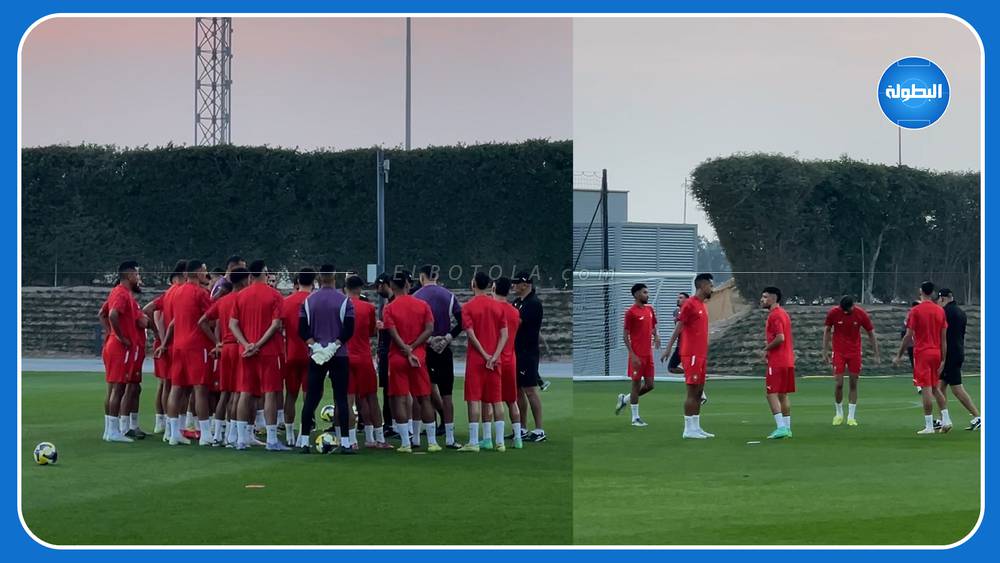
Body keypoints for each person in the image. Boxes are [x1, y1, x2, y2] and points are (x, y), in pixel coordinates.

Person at [295, 265, 356, 454]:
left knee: (311, 398)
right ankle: (345, 442)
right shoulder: (344, 300)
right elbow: (349, 329)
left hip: (317, 355)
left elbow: (302, 329)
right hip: (339, 354)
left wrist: (316, 347)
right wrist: (334, 346)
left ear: (319, 278)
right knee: (341, 398)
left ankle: (304, 442)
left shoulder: (309, 300)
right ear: (334, 277)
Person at [158, 260, 217, 446]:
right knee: (200, 388)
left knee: (176, 387)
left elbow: (173, 322)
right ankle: (205, 434)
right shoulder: (201, 293)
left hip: (178, 344)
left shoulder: (176, 292)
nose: (206, 274)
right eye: (204, 271)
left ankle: (173, 433)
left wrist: (165, 344)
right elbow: (208, 320)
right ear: (198, 272)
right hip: (197, 346)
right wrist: (216, 341)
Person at [230, 260, 287, 450]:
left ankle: (241, 439)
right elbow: (276, 324)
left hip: (246, 351)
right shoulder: (275, 295)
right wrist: (258, 344)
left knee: (245, 392)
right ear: (264, 273)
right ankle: (271, 439)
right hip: (268, 351)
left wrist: (246, 344)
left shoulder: (241, 295)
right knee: (270, 393)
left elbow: (233, 324)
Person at [382, 270, 439, 453]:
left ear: (391, 286)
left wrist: (405, 349)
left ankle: (406, 443)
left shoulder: (389, 308)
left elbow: (392, 332)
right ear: (407, 284)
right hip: (419, 356)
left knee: (398, 398)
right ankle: (432, 442)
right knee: (424, 397)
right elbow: (429, 329)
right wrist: (413, 347)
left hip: (397, 356)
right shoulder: (422, 305)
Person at [413, 264, 464, 449]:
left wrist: (428, 339)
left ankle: (417, 437)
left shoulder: (416, 296)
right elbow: (462, 321)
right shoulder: (449, 295)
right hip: (444, 348)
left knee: (421, 394)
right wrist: (448, 337)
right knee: (447, 395)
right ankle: (450, 438)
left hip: (425, 349)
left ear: (422, 277)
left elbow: (414, 325)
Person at [198, 267, 250, 446]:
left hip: (225, 348)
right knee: (238, 392)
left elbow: (202, 321)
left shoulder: (223, 300)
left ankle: (217, 435)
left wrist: (216, 342)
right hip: (239, 346)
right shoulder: (244, 299)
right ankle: (232, 435)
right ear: (244, 281)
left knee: (224, 393)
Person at [458, 271, 509, 452]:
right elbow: (504, 335)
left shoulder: (468, 307)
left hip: (476, 360)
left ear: (473, 284)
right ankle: (500, 442)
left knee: (474, 399)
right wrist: (494, 356)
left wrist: (484, 354)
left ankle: (473, 442)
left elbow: (471, 334)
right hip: (495, 361)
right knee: (496, 400)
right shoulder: (498, 306)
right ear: (488, 285)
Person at [895, 281, 951, 434]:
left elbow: (908, 336)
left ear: (920, 291)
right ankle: (946, 419)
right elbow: (944, 338)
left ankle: (929, 425)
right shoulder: (940, 310)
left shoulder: (916, 311)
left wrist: (899, 355)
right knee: (935, 387)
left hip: (922, 353)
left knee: (926, 388)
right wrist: (943, 359)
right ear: (932, 292)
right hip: (936, 352)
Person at [662, 273, 714, 439]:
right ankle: (688, 429)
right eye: (710, 285)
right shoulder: (690, 304)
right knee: (692, 392)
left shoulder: (702, 305)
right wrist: (668, 348)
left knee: (699, 392)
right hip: (690, 353)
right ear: (702, 286)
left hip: (700, 354)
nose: (712, 288)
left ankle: (696, 427)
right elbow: (679, 327)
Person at [346, 275, 392, 449]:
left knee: (348, 399)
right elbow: (372, 331)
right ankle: (377, 438)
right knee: (370, 397)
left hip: (346, 356)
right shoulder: (368, 307)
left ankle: (351, 440)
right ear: (360, 289)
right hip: (364, 357)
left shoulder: (341, 305)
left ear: (346, 288)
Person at [100, 261, 143, 443]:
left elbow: (102, 313)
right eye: (136, 274)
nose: (138, 277)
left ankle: (109, 430)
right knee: (118, 388)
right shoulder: (121, 293)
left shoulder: (118, 292)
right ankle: (113, 431)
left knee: (114, 389)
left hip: (114, 346)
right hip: (119, 348)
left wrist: (111, 333)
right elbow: (111, 314)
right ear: (129, 275)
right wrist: (120, 336)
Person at [143, 260, 187, 435]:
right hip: (172, 342)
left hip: (165, 342)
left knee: (165, 383)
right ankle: (171, 424)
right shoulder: (179, 293)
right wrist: (160, 335)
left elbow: (148, 309)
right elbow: (151, 312)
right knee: (174, 385)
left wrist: (157, 334)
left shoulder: (167, 294)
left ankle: (163, 422)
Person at [822, 295, 879, 426]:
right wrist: (825, 351)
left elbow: (871, 333)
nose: (846, 312)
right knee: (839, 383)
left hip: (854, 353)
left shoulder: (861, 314)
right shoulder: (834, 313)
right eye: (843, 310)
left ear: (853, 306)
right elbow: (827, 330)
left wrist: (876, 354)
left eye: (847, 310)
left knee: (853, 383)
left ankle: (851, 417)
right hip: (839, 352)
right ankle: (838, 414)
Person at [615, 283, 660, 427]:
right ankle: (635, 418)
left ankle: (625, 399)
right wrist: (632, 355)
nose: (647, 295)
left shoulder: (650, 309)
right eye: (644, 292)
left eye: (647, 292)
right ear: (636, 295)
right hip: (637, 355)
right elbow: (625, 336)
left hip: (648, 355)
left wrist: (656, 336)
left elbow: (653, 326)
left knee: (650, 385)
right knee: (636, 385)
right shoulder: (630, 312)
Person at [936, 289, 981, 430]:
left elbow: (943, 334)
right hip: (958, 350)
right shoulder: (961, 312)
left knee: (956, 388)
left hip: (950, 354)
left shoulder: (945, 312)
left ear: (942, 298)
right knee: (940, 386)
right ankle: (943, 418)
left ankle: (977, 417)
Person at [280, 268, 316, 445]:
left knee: (291, 394)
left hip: (291, 353)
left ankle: (289, 434)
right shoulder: (314, 301)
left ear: (297, 282)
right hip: (311, 353)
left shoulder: (286, 302)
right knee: (308, 395)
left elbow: (279, 326)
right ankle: (303, 434)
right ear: (313, 282)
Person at [512, 271, 546, 442]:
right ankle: (522, 427)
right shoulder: (517, 302)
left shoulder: (533, 303)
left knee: (530, 390)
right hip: (516, 350)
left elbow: (516, 322)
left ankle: (539, 429)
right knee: (518, 390)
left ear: (525, 284)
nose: (514, 286)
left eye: (516, 283)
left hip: (527, 352)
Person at [493, 276, 524, 449]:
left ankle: (494, 439)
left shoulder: (493, 308)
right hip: (510, 359)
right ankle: (518, 438)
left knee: (493, 400)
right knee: (512, 400)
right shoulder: (514, 311)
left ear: (494, 288)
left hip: (495, 358)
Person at [761, 286, 795, 440]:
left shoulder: (775, 315)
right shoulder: (784, 314)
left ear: (773, 298)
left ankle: (781, 427)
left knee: (771, 394)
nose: (762, 300)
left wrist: (766, 349)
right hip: (787, 360)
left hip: (777, 360)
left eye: (765, 297)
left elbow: (780, 337)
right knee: (783, 395)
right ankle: (787, 428)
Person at [373, 272, 396, 436]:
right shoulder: (387, 303)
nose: (377, 290)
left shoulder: (393, 304)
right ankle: (389, 422)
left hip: (391, 352)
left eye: (378, 286)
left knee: (392, 389)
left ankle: (394, 423)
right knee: (387, 389)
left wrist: (384, 327)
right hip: (384, 351)